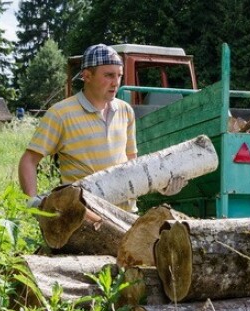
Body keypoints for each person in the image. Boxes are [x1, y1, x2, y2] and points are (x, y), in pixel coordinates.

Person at [18, 43, 184, 210]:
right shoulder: (60, 114)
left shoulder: (125, 111)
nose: (116, 83)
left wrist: (162, 184)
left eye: (119, 76)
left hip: (124, 214)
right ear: (87, 76)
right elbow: (29, 160)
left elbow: (132, 163)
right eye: (109, 75)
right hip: (84, 217)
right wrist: (33, 201)